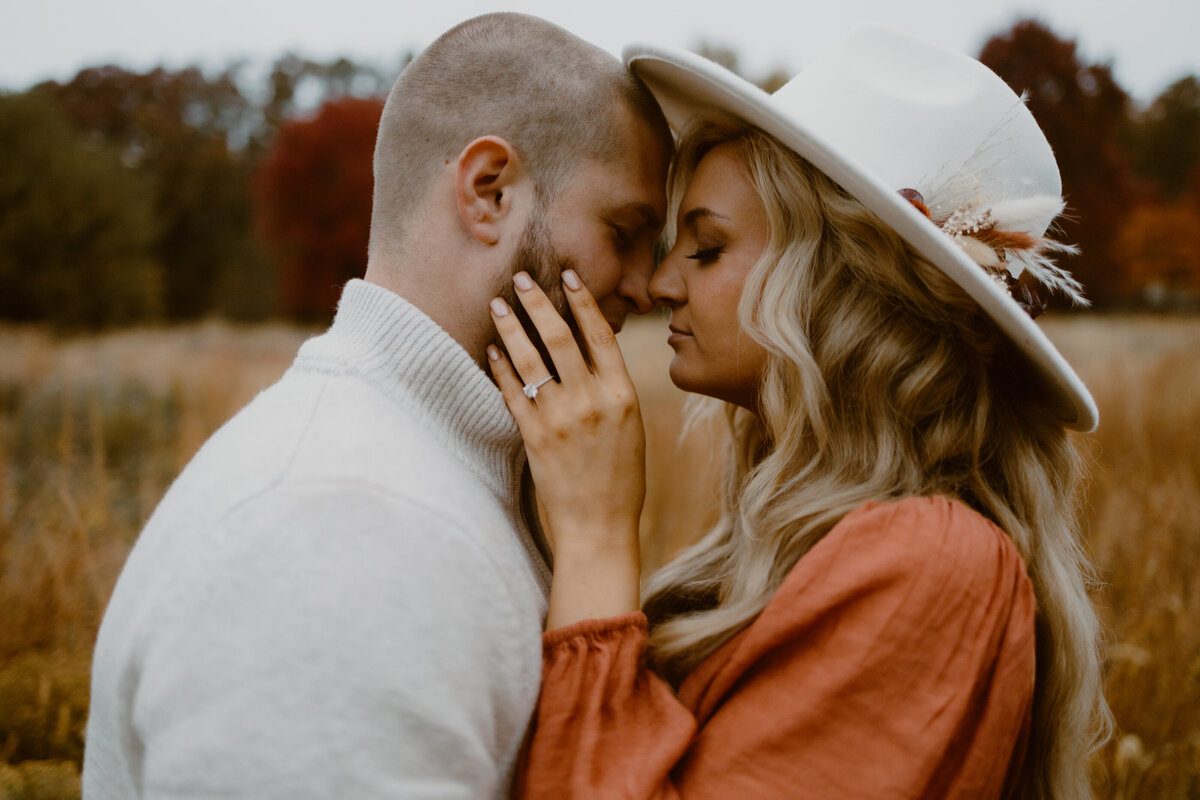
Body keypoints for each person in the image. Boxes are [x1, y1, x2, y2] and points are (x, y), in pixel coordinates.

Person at [486, 25, 1109, 800]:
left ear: (840, 285)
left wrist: (596, 536)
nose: (662, 284)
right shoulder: (811, 537)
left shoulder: (933, 560)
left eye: (706, 248)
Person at [82, 13, 670, 799]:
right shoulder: (336, 522)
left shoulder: (422, 479)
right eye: (625, 231)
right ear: (489, 192)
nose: (647, 285)